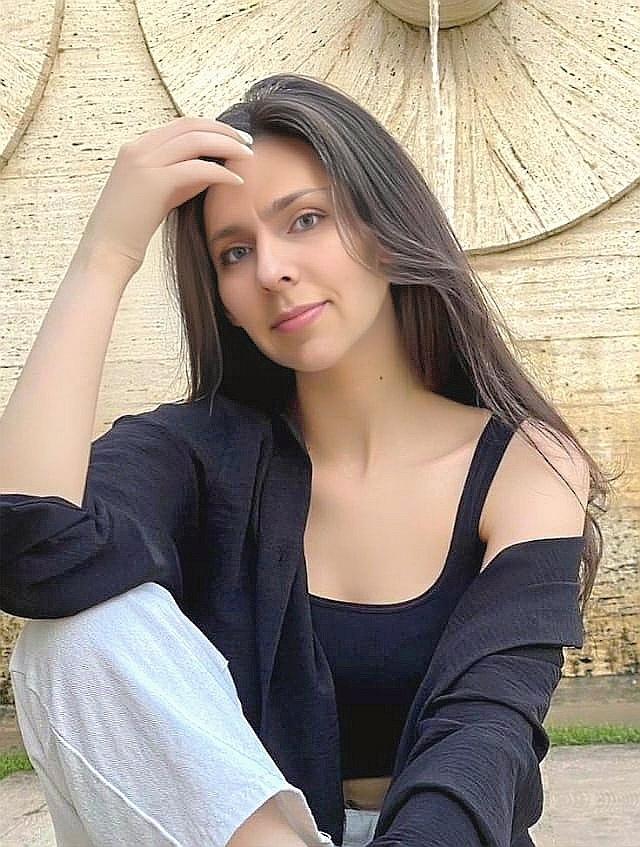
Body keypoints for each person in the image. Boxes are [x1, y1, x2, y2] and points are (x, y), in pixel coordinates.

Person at [0, 73, 616, 847]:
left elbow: (486, 732)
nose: (270, 270)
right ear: (220, 296)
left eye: (306, 219)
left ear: (385, 225)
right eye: (234, 252)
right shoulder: (197, 452)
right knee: (68, 638)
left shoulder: (524, 463)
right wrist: (105, 254)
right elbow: (34, 546)